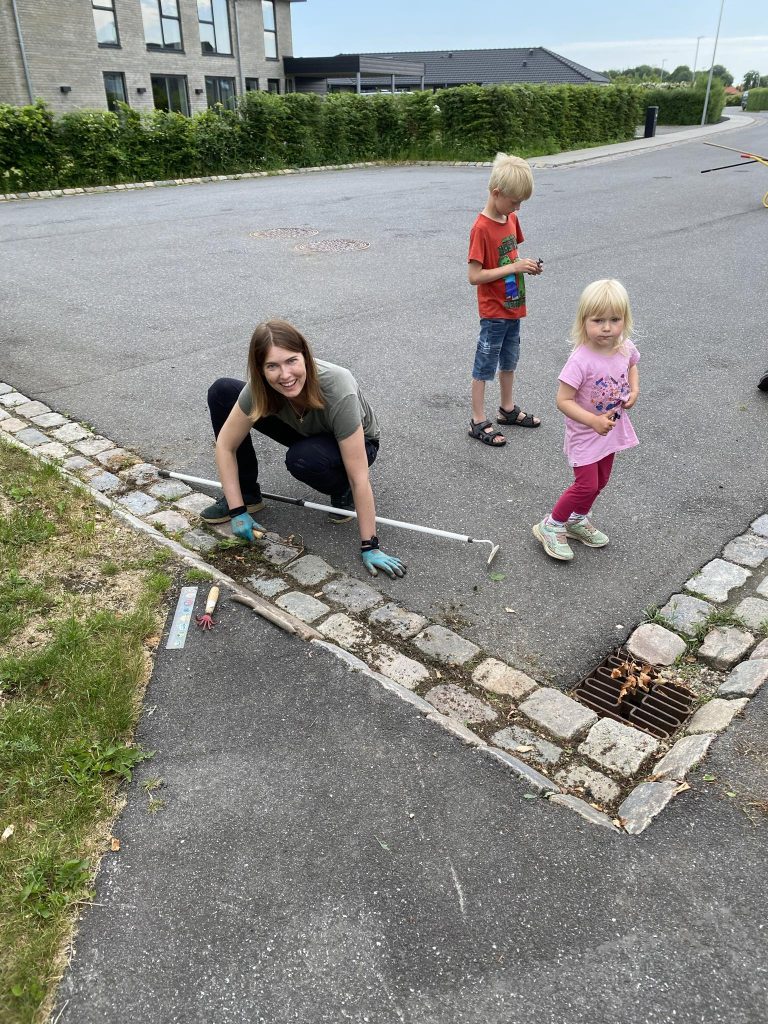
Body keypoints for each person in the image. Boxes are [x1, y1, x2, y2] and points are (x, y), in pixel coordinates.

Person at [202, 319, 405, 579]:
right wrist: (237, 509)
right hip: (303, 430)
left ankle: (339, 489)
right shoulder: (260, 388)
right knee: (223, 391)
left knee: (304, 459)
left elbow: (359, 475)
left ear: (305, 357)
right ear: (260, 369)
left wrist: (370, 545)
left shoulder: (337, 386)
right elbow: (225, 446)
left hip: (357, 444)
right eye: (272, 366)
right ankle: (248, 495)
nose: (285, 375)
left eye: (291, 361)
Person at [533, 279, 640, 561]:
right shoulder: (581, 359)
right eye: (598, 320)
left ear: (625, 320)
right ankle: (552, 524)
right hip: (585, 433)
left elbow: (632, 367)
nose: (607, 327)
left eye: (614, 319)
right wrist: (592, 421)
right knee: (586, 485)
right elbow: (563, 400)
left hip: (611, 429)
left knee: (602, 480)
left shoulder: (624, 347)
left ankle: (576, 520)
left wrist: (635, 390)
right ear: (584, 322)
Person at [467, 151, 544, 448]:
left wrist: (526, 266)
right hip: (493, 310)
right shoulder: (481, 228)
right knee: (485, 364)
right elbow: (474, 275)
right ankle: (477, 419)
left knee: (510, 360)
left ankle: (507, 409)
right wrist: (513, 267)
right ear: (496, 193)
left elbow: (510, 256)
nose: (518, 208)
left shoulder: (509, 218)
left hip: (513, 305)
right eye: (514, 202)